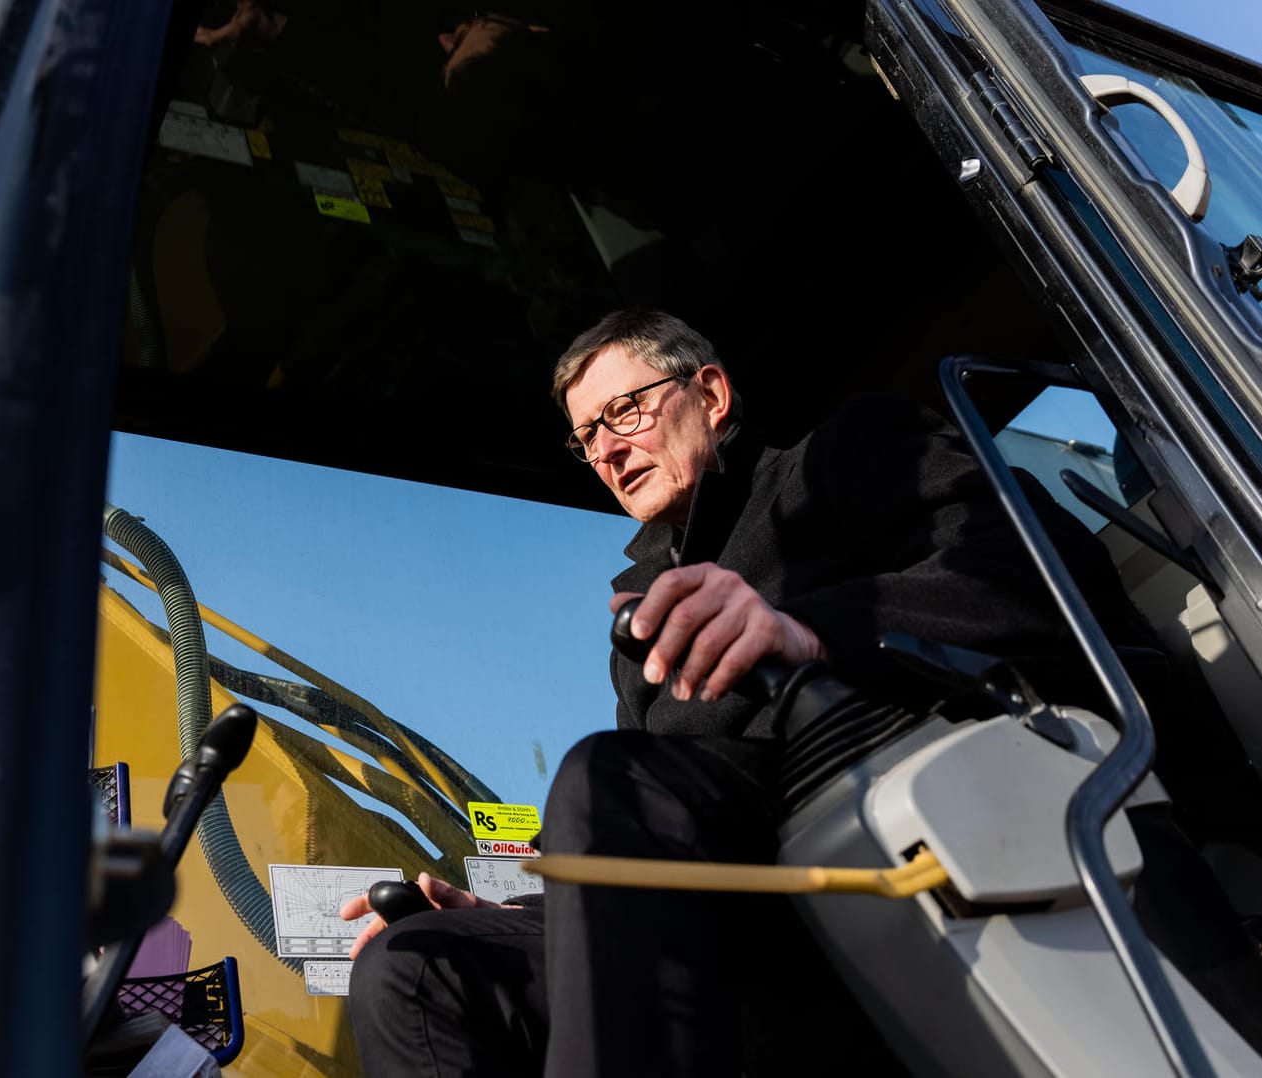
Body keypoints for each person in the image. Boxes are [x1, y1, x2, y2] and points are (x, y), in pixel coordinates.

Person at [337, 307, 1180, 1076]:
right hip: (748, 925)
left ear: (708, 393)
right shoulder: (638, 625)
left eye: (623, 413)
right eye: (586, 437)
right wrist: (519, 911)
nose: (606, 450)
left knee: (613, 774)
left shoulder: (845, 458)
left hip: (934, 850)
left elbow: (1039, 573)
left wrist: (807, 631)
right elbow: (646, 852)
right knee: (418, 963)